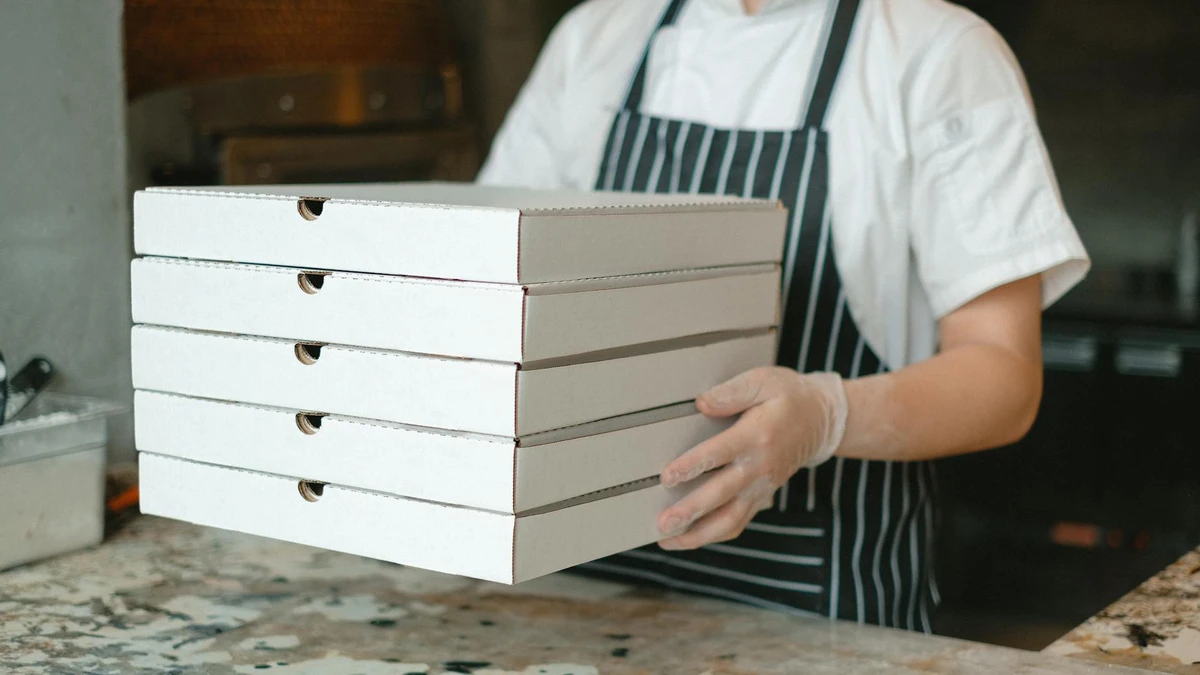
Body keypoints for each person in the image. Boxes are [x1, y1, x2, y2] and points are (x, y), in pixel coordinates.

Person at [477, 0, 1090, 631]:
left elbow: (1005, 377)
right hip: (574, 596)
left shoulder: (935, 51)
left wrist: (827, 417)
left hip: (821, 605)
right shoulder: (596, 37)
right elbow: (485, 286)